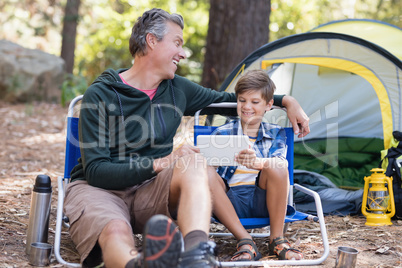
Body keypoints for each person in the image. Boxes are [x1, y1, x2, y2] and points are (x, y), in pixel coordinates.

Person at [64, 8, 309, 268]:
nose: (182, 53)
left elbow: (230, 100)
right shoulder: (100, 94)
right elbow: (97, 171)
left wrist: (286, 101)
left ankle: (196, 254)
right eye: (177, 43)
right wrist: (162, 162)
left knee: (194, 161)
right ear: (151, 41)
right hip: (102, 190)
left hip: (151, 190)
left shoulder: (177, 88)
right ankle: (134, 264)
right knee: (115, 232)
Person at [209, 70, 303, 261]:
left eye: (254, 102)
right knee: (203, 172)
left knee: (276, 165)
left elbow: (280, 163)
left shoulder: (276, 133)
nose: (246, 107)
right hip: (229, 201)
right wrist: (213, 163)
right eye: (242, 100)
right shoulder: (222, 133)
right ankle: (245, 241)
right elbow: (210, 176)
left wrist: (259, 163)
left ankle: (277, 239)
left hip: (263, 199)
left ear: (269, 105)